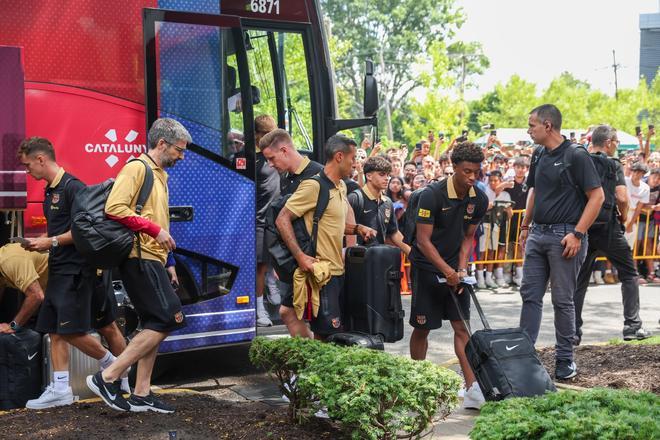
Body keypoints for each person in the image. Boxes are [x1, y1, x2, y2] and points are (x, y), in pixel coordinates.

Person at [87, 118, 191, 413]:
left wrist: (169, 261)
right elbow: (114, 208)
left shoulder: (160, 174)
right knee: (169, 318)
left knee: (153, 323)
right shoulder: (137, 168)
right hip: (138, 257)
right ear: (162, 144)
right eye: (179, 150)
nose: (181, 156)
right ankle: (107, 377)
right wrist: (154, 231)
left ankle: (142, 393)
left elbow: (160, 220)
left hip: (153, 258)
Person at [17, 137, 127, 409]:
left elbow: (84, 231)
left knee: (70, 330)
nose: (27, 171)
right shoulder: (48, 191)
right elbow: (60, 230)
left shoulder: (74, 188)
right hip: (59, 268)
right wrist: (39, 242)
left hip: (77, 271)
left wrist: (50, 242)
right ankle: (61, 388)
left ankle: (114, 365)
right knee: (55, 330)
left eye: (28, 165)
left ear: (41, 159)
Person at [519, 104, 604, 380]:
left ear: (547, 126)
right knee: (529, 295)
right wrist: (525, 224)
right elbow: (534, 190)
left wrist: (578, 233)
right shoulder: (538, 153)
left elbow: (597, 197)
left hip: (565, 236)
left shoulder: (576, 155)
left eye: (532, 125)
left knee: (562, 300)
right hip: (538, 234)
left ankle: (565, 360)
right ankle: (524, 355)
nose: (528, 130)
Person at [408, 141, 488, 409]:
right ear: (453, 167)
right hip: (428, 269)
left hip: (455, 273)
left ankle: (472, 389)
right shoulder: (431, 195)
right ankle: (417, 383)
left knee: (462, 327)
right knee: (423, 328)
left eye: (477, 171)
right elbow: (422, 241)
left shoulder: (480, 199)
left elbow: (468, 237)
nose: (473, 177)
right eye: (467, 171)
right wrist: (446, 271)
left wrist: (461, 270)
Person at [275, 134, 375, 340]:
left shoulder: (342, 186)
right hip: (321, 272)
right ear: (339, 156)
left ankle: (309, 369)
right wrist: (300, 257)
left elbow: (332, 224)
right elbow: (282, 219)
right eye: (352, 158)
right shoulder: (314, 186)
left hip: (336, 271)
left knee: (321, 332)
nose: (355, 164)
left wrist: (357, 229)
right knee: (324, 336)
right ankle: (310, 370)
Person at [573, 125, 651, 344]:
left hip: (584, 227)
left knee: (580, 281)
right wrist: (623, 218)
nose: (617, 145)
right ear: (608, 142)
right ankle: (632, 326)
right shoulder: (613, 164)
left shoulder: (581, 161)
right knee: (629, 272)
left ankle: (572, 332)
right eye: (616, 141)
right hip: (607, 226)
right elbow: (623, 198)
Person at [260, 129, 323, 339]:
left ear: (285, 150)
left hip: (318, 259)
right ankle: (309, 364)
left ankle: (316, 366)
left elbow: (346, 213)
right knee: (289, 312)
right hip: (297, 260)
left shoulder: (319, 174)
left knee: (319, 320)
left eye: (271, 158)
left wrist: (346, 248)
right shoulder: (286, 177)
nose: (269, 164)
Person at [348, 156, 410, 255]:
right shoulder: (355, 198)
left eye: (388, 175)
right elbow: (343, 229)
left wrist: (413, 254)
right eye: (382, 174)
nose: (387, 178)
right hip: (357, 261)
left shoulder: (387, 202)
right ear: (369, 176)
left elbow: (394, 232)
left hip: (379, 260)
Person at [254, 115, 280, 326]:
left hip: (277, 219)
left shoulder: (278, 155)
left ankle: (272, 279)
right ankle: (260, 308)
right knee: (260, 266)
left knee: (271, 260)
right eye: (265, 135)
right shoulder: (253, 160)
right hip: (260, 219)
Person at [0, 243, 47, 333]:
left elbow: (36, 296)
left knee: (70, 334)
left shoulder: (10, 262)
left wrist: (12, 326)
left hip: (69, 280)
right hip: (53, 287)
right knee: (56, 336)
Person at [502, 157, 529, 286]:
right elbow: (496, 191)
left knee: (520, 246)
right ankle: (506, 274)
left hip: (523, 220)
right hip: (509, 219)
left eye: (523, 167)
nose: (520, 170)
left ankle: (519, 274)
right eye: (518, 167)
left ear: (526, 169)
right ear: (514, 168)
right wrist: (504, 185)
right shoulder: (509, 182)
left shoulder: (529, 184)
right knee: (507, 247)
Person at [624, 162, 650, 253]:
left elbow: (639, 208)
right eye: (636, 172)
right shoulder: (624, 181)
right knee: (614, 244)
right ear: (632, 171)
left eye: (641, 173)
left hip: (632, 215)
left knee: (628, 246)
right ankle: (608, 268)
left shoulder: (645, 188)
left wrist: (630, 224)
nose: (638, 174)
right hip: (620, 212)